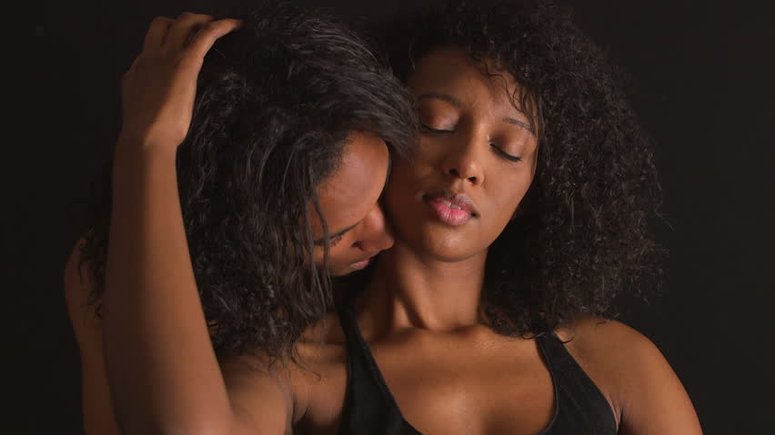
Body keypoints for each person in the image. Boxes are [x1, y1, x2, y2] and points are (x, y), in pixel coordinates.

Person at [68, 0, 703, 434]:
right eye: (436, 123)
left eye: (508, 149)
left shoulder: (612, 363)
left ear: (542, 184)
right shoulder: (298, 368)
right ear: (381, 130)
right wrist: (149, 145)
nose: (466, 164)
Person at [64, 2, 415, 434]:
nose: (385, 236)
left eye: (381, 190)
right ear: (245, 240)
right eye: (334, 235)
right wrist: (149, 142)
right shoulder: (104, 271)